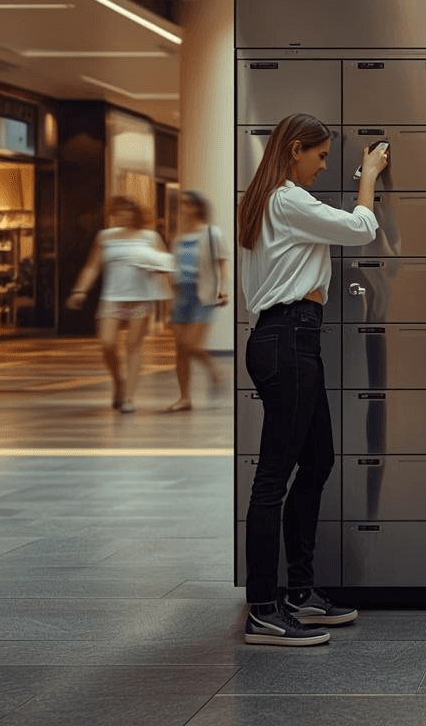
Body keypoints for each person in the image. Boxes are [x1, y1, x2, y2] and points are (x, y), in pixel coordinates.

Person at [237, 112, 387, 646]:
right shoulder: (286, 199)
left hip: (289, 338)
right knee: (273, 478)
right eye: (320, 156)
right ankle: (262, 608)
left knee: (317, 459)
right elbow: (361, 229)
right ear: (296, 149)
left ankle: (299, 592)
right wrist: (367, 176)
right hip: (287, 339)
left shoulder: (268, 201)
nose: (324, 166)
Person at [67, 196, 174, 414]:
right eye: (117, 212)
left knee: (133, 346)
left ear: (135, 213)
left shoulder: (149, 237)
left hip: (141, 299)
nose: (121, 216)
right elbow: (92, 267)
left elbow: (166, 263)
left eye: (126, 211)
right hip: (112, 298)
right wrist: (80, 290)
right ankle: (118, 381)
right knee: (107, 344)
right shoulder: (105, 237)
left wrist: (159, 272)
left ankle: (128, 398)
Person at [166, 191, 229, 412]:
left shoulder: (212, 233)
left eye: (186, 204)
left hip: (203, 295)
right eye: (181, 204)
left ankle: (215, 372)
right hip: (181, 295)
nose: (182, 208)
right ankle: (184, 398)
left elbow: (221, 264)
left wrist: (222, 290)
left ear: (197, 208)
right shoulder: (180, 236)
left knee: (191, 345)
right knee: (180, 350)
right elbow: (173, 269)